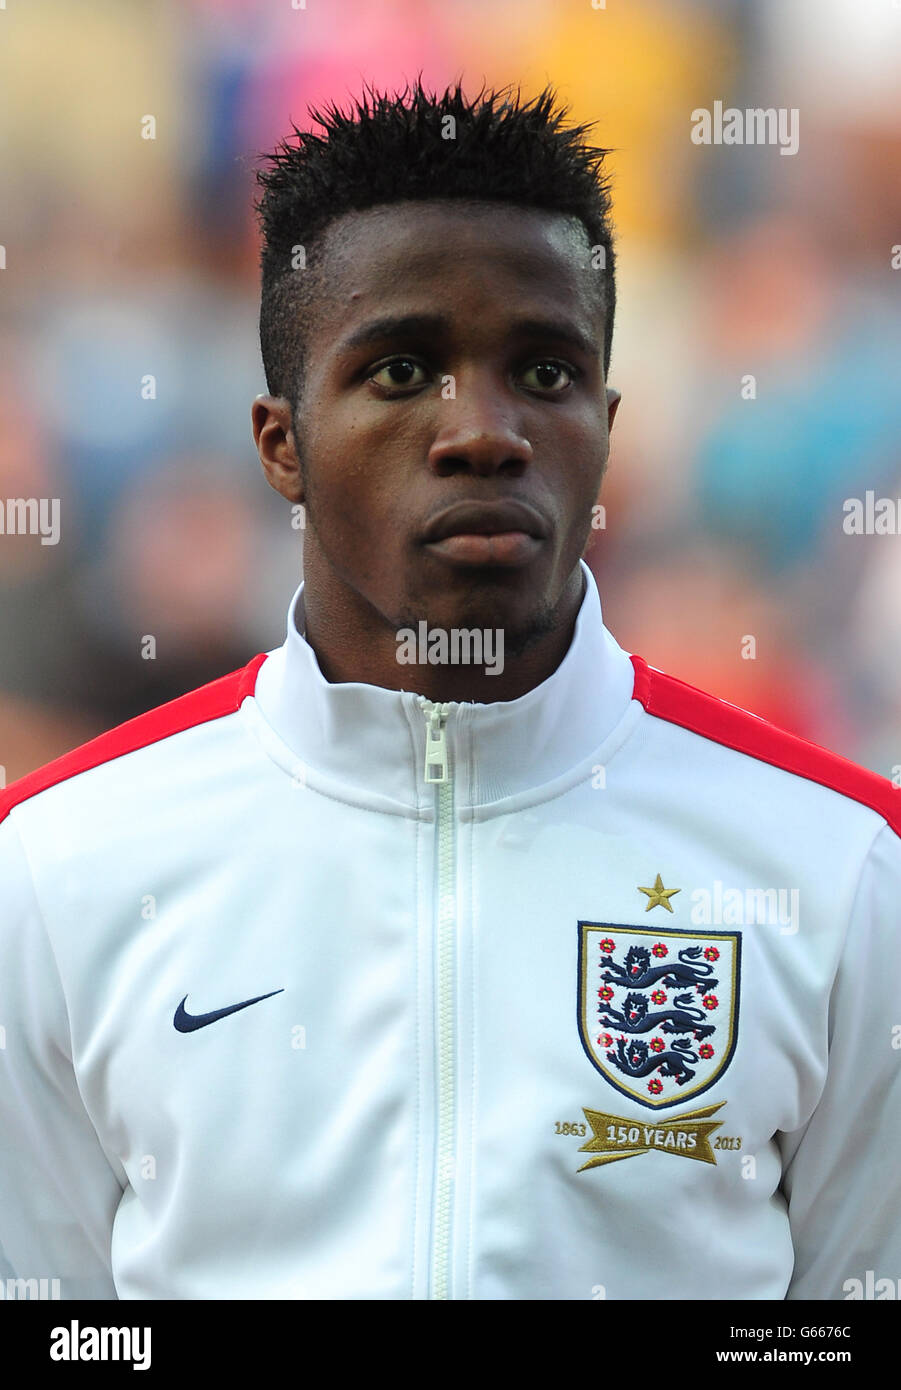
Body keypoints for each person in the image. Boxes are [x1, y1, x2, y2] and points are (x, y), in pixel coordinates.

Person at [1, 79, 898, 1302]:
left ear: (606, 428)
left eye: (542, 371)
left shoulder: (840, 866)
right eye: (403, 368)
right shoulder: (58, 867)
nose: (483, 430)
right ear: (280, 442)